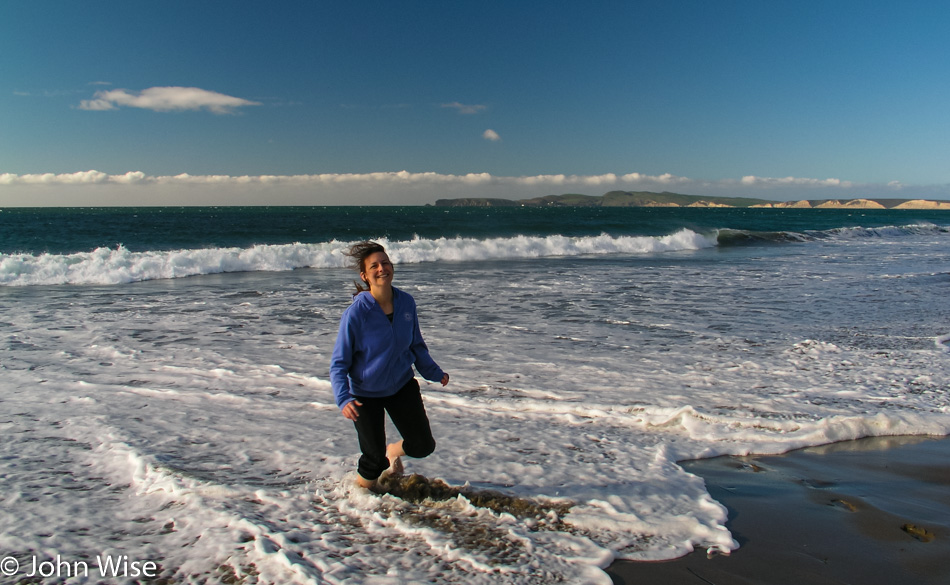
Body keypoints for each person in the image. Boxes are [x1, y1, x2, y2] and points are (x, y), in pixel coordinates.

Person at [330, 241, 449, 490]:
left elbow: (416, 345)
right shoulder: (357, 313)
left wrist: (435, 373)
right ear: (365, 275)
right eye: (374, 266)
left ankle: (392, 451)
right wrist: (343, 398)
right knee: (373, 460)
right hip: (365, 394)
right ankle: (359, 503)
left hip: (401, 385)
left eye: (385, 263)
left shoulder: (406, 303)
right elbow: (339, 362)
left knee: (422, 445)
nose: (382, 268)